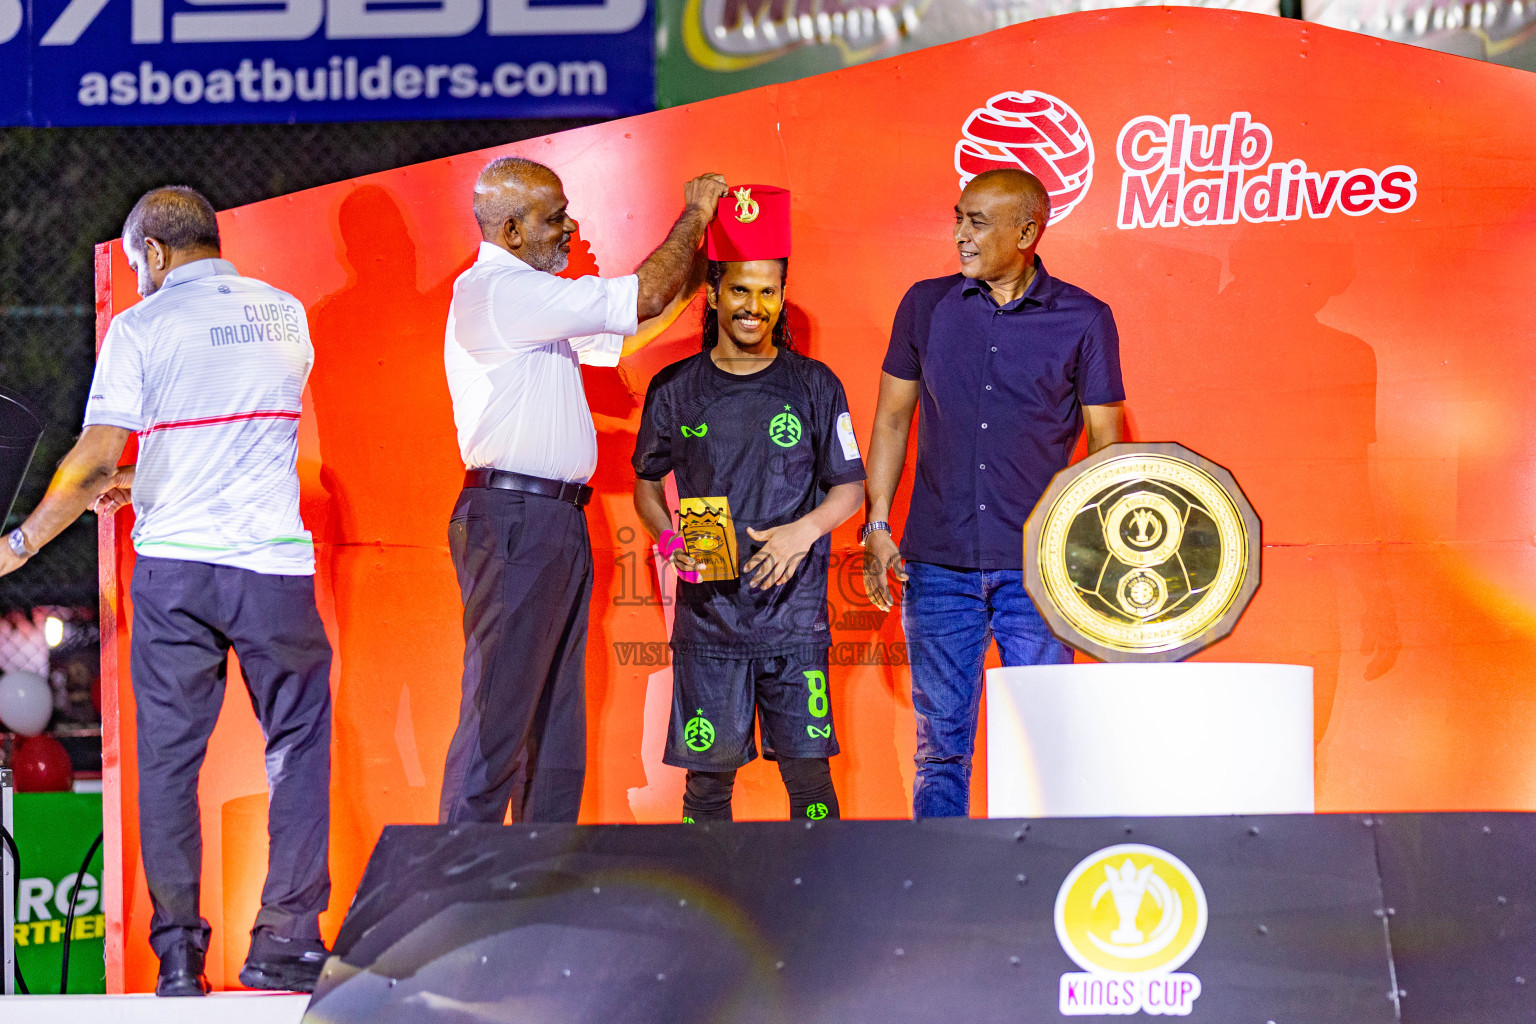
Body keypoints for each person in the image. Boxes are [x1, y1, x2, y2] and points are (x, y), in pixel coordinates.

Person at [0, 186, 334, 995]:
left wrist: (23, 541)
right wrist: (141, 478)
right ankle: (285, 942)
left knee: (170, 762)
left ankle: (180, 955)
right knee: (295, 751)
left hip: (179, 570)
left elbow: (93, 450)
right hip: (272, 569)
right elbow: (237, 433)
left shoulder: (141, 326)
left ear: (151, 252)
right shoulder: (286, 314)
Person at [439, 158, 729, 826]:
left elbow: (634, 327)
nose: (572, 227)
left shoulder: (532, 301)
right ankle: (454, 894)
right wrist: (696, 215)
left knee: (556, 723)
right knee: (499, 716)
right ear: (511, 230)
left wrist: (698, 280)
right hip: (515, 519)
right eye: (555, 217)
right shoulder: (500, 292)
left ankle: (540, 885)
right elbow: (641, 298)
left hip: (551, 521)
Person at [861, 168, 1126, 819]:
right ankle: (941, 897)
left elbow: (1109, 447)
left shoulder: (1085, 319)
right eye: (959, 218)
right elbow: (893, 419)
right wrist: (876, 524)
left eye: (976, 222)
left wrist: (1091, 556)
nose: (959, 236)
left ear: (1028, 232)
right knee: (940, 750)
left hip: (1038, 573)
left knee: (1044, 743)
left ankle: (1043, 894)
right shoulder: (926, 305)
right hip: (937, 565)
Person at [632, 185, 865, 822]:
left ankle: (818, 911)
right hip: (709, 620)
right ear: (712, 294)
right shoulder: (675, 389)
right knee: (706, 791)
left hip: (795, 621)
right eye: (740, 290)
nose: (753, 307)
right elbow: (647, 485)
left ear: (781, 297)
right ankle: (703, 915)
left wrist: (801, 533)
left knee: (810, 787)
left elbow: (850, 488)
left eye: (767, 292)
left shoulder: (815, 384)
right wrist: (669, 539)